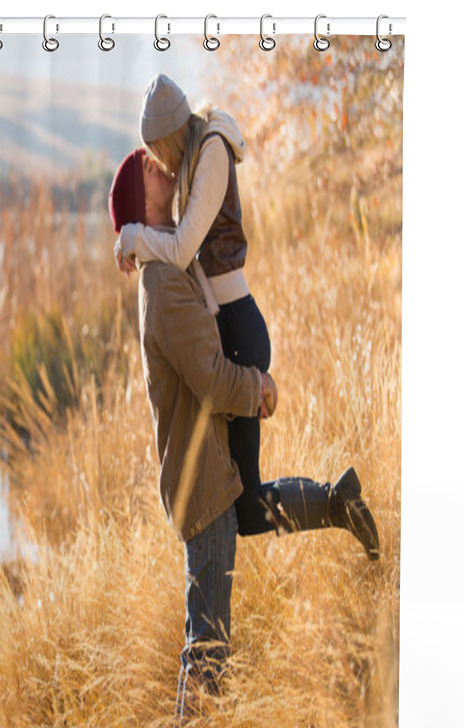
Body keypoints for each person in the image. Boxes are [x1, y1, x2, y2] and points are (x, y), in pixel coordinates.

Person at [108, 148, 380, 728]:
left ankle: (337, 500)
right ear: (141, 201)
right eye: (153, 169)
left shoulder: (169, 260)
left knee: (249, 524)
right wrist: (257, 386)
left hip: (212, 465)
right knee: (207, 647)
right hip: (199, 484)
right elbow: (208, 377)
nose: (164, 167)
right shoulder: (162, 283)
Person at [113, 73, 283, 538]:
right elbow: (173, 242)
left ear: (167, 136)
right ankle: (336, 501)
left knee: (245, 509)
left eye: (156, 150)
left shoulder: (211, 150)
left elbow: (184, 248)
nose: (159, 163)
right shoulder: (192, 157)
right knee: (242, 506)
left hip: (239, 330)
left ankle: (335, 502)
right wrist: (133, 240)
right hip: (223, 327)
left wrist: (133, 237)